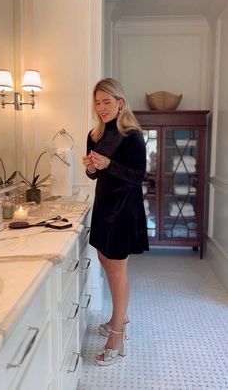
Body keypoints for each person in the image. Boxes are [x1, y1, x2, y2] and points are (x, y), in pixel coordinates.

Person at [82, 78, 148, 366]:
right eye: (97, 102)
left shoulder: (132, 135)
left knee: (117, 270)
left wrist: (109, 164)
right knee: (105, 262)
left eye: (107, 102)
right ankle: (119, 317)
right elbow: (96, 176)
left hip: (124, 210)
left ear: (120, 103)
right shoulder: (94, 135)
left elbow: (138, 176)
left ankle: (117, 335)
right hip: (104, 206)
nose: (101, 108)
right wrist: (91, 169)